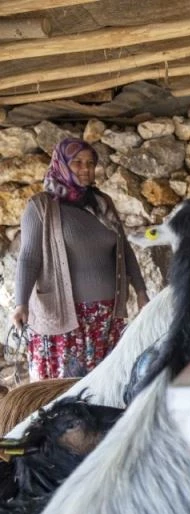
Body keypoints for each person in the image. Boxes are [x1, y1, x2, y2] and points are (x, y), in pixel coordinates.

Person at [11, 138, 149, 380]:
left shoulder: (101, 203)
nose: (86, 169)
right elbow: (29, 258)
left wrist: (140, 291)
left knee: (107, 385)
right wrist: (21, 303)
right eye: (77, 163)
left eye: (90, 163)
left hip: (106, 316)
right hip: (65, 319)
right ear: (62, 164)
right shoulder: (41, 206)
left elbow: (123, 249)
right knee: (65, 390)